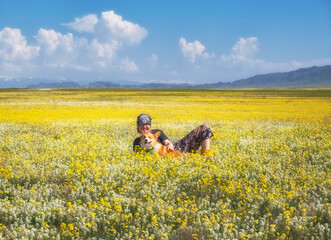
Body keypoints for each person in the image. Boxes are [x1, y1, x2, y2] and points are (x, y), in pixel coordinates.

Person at [133, 113, 213, 156]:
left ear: (150, 125)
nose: (144, 126)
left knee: (204, 127)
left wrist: (169, 145)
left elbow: (168, 142)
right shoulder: (137, 141)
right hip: (167, 157)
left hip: (176, 149)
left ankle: (206, 156)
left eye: (147, 124)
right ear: (138, 127)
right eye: (141, 124)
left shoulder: (157, 132)